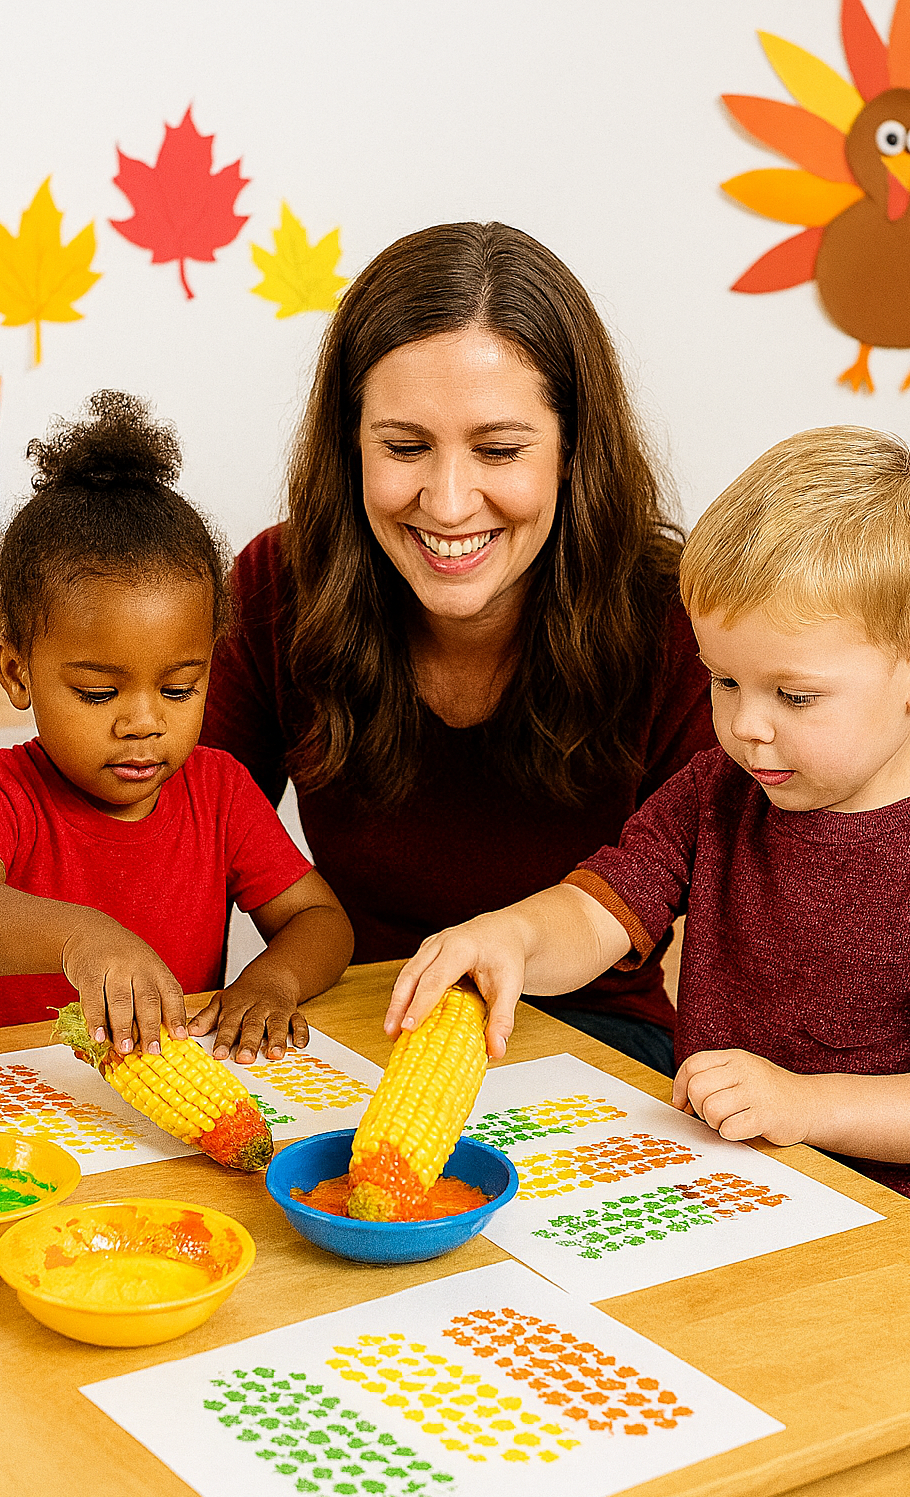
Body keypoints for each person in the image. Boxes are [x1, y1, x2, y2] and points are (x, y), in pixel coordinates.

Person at [383, 426, 910, 1231]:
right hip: (732, 1192)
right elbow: (601, 910)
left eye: (793, 696)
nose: (746, 726)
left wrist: (806, 1105)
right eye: (725, 681)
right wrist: (514, 936)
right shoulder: (717, 792)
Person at [201, 221, 714, 1076]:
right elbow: (180, 831)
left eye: (499, 450)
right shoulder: (274, 587)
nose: (446, 502)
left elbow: (754, 887)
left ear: (572, 452)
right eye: (403, 448)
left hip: (598, 1041)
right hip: (348, 1028)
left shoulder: (681, 618)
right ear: (349, 444)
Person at [0, 392, 353, 1062]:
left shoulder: (219, 791)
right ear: (17, 671)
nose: (143, 722)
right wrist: (82, 937)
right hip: (10, 1110)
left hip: (155, 1120)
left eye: (178, 688)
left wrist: (272, 981)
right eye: (99, 692)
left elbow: (322, 920)